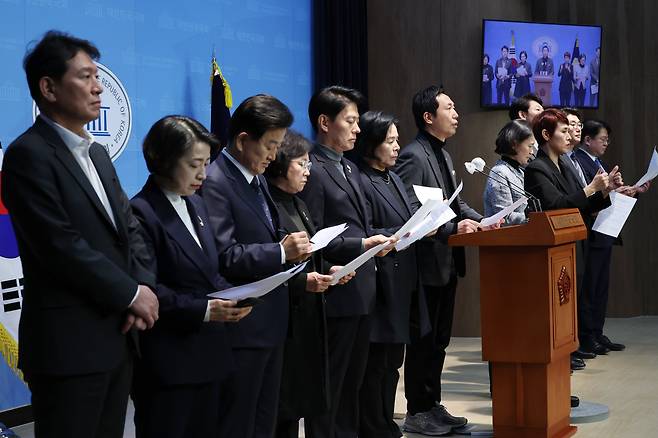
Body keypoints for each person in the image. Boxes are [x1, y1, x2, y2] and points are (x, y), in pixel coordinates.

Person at [1, 30, 159, 438]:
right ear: (48, 87)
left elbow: (130, 228)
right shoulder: (27, 155)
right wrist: (130, 294)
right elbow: (60, 245)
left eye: (97, 76)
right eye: (85, 76)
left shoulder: (99, 152)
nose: (97, 87)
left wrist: (142, 286)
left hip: (118, 335)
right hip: (67, 348)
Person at [130, 116, 251, 438]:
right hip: (170, 362)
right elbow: (148, 289)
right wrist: (207, 310)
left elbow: (209, 272)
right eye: (194, 164)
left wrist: (239, 294)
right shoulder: (141, 212)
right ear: (163, 159)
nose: (202, 174)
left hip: (212, 355)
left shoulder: (196, 203)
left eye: (206, 164)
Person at [394, 86, 499, 436]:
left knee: (439, 340)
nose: (456, 114)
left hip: (446, 262)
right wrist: (455, 226)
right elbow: (411, 213)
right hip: (425, 265)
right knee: (423, 341)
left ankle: (431, 405)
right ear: (428, 117)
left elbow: (455, 204)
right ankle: (417, 411)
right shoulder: (413, 155)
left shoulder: (442, 155)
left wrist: (483, 221)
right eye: (449, 108)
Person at [202, 94, 308, 438]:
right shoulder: (215, 182)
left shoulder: (256, 176)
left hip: (271, 324)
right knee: (239, 423)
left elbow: (267, 231)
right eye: (270, 145)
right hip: (243, 328)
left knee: (264, 422)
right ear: (243, 140)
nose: (274, 156)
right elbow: (225, 255)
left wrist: (295, 250)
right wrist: (280, 252)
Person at [299, 85, 396, 438]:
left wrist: (386, 239)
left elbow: (363, 225)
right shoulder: (311, 167)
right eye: (351, 121)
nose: (358, 129)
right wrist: (360, 243)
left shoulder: (351, 169)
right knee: (331, 385)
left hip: (362, 291)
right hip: (334, 292)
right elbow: (312, 236)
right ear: (325, 122)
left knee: (354, 384)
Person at [265, 130, 355, 438]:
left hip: (309, 317)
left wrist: (332, 269)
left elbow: (313, 252)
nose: (307, 171)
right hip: (283, 319)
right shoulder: (268, 205)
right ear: (278, 163)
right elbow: (266, 266)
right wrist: (304, 281)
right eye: (301, 164)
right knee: (281, 406)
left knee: (299, 402)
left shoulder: (298, 203)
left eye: (308, 164)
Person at [353, 111, 431, 438]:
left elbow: (408, 217)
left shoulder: (393, 176)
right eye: (390, 141)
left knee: (392, 363)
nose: (397, 147)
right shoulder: (361, 180)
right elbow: (364, 231)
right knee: (376, 364)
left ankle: (386, 421)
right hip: (381, 281)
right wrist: (400, 233)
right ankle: (373, 426)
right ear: (371, 143)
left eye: (398, 140)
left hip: (404, 280)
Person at [573, 120, 648, 355]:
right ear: (588, 140)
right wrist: (612, 191)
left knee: (601, 287)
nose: (606, 143)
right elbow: (588, 195)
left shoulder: (600, 162)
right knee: (589, 288)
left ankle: (597, 332)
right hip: (591, 229)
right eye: (603, 139)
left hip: (606, 229)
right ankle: (586, 336)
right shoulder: (578, 160)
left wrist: (631, 190)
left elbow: (608, 194)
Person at [483, 120, 535, 224]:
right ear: (514, 144)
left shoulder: (520, 170)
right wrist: (535, 216)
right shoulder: (500, 172)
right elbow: (504, 217)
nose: (532, 151)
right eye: (529, 146)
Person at [508, 93, 544, 159]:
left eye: (543, 110)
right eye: (538, 109)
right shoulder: (515, 144)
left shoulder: (544, 141)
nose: (544, 113)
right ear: (522, 115)